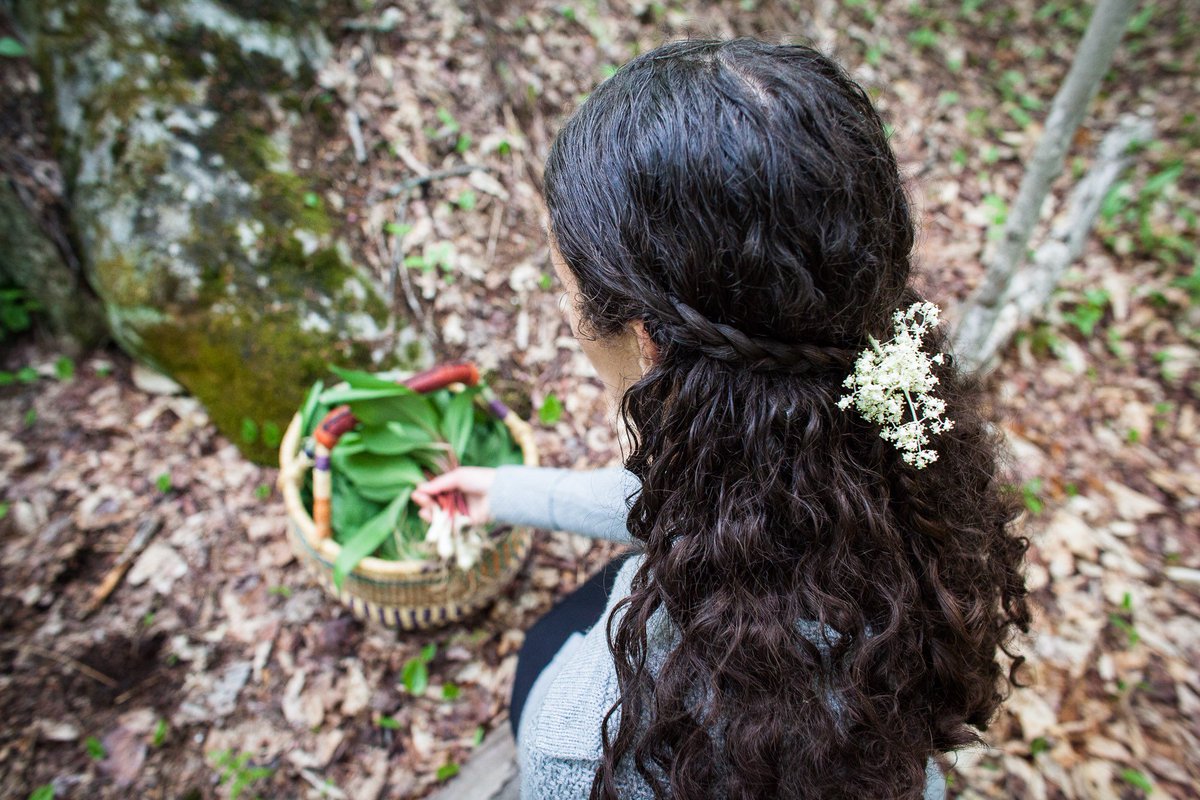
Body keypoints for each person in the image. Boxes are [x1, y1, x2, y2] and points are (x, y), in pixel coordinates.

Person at [412, 37, 1031, 800]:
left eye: (563, 285)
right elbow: (684, 499)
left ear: (645, 343)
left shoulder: (586, 747)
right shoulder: (895, 460)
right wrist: (509, 493)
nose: (566, 312)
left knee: (543, 644)